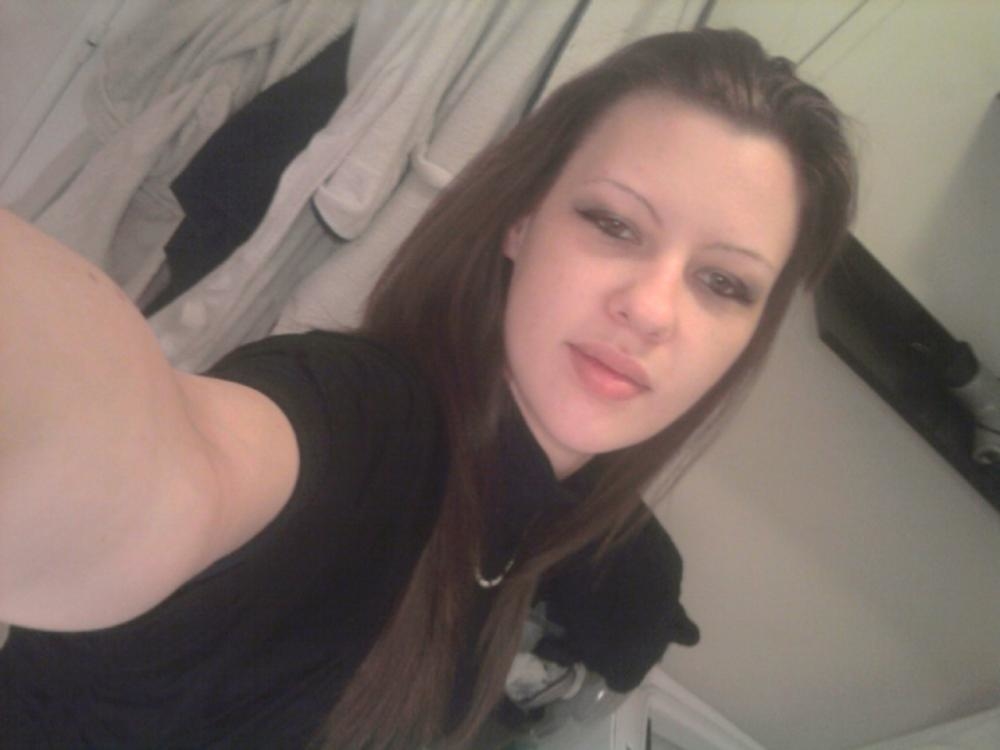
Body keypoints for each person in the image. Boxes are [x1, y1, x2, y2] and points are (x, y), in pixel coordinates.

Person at [0, 27, 856, 750]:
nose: (652, 308)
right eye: (613, 223)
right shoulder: (359, 422)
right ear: (521, 219)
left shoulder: (546, 522)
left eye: (724, 283)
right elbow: (168, 470)